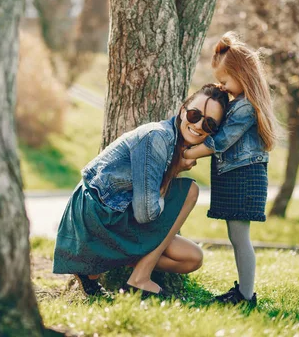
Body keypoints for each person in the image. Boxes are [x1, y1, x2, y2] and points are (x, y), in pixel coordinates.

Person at [53, 84, 229, 298]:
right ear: (183, 111)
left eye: (209, 124)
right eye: (194, 115)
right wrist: (173, 175)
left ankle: (112, 262)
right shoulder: (158, 138)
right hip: (99, 216)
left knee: (192, 258)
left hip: (117, 215)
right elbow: (146, 213)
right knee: (190, 191)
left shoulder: (174, 144)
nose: (199, 125)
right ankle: (138, 278)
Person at [184, 32, 280, 307]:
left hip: (244, 178)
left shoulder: (247, 107)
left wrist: (187, 155)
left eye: (225, 81)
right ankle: (243, 291)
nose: (222, 86)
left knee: (240, 237)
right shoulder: (237, 103)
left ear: (242, 74)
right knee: (236, 236)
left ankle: (246, 296)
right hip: (234, 176)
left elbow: (220, 142)